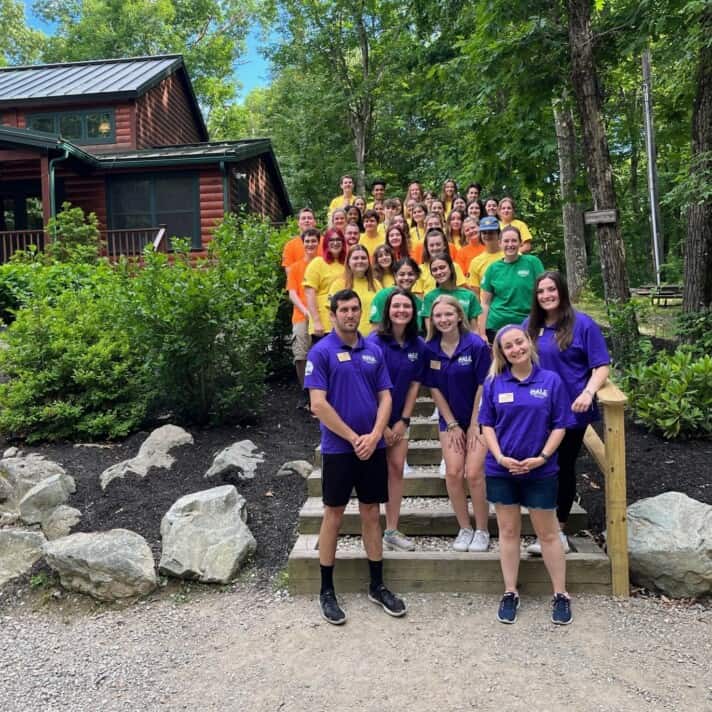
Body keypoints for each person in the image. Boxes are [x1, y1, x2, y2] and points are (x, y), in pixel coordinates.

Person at [305, 289, 406, 624]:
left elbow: (386, 397)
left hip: (372, 447)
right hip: (339, 449)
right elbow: (318, 404)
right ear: (332, 314)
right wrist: (353, 438)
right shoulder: (321, 352)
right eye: (343, 310)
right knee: (333, 513)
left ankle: (377, 585)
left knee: (371, 512)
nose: (350, 314)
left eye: (354, 309)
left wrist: (376, 435)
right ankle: (326, 590)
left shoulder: (373, 350)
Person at [479, 325, 575, 625]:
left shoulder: (550, 381)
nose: (515, 349)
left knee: (547, 533)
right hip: (501, 469)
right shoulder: (494, 382)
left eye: (519, 342)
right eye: (508, 346)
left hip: (541, 470)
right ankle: (510, 591)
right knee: (508, 532)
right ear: (501, 352)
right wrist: (498, 456)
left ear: (528, 343)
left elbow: (561, 424)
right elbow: (486, 425)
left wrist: (542, 457)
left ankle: (560, 593)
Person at [524, 271, 610, 555]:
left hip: (572, 410)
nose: (546, 295)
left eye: (551, 290)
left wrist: (588, 392)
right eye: (541, 291)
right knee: (540, 467)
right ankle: (543, 528)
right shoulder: (531, 326)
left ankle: (558, 531)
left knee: (561, 467)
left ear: (561, 291)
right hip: (537, 410)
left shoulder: (583, 324)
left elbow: (601, 365)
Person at [424, 295, 491, 552]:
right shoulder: (430, 348)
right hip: (449, 418)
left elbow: (484, 385)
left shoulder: (474, 344)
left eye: (448, 314)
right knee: (453, 473)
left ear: (459, 316)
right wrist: (451, 424)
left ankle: (483, 530)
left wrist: (474, 424)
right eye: (438, 315)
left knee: (473, 473)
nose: (444, 320)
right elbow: (433, 388)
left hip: (478, 417)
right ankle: (465, 528)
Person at [367, 288, 426, 551]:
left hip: (400, 420)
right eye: (396, 306)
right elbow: (366, 385)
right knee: (373, 472)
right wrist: (382, 426)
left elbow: (414, 385)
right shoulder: (373, 342)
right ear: (387, 310)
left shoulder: (418, 345)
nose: (401, 310)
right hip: (372, 420)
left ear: (413, 311)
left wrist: (404, 420)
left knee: (397, 467)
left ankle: (391, 529)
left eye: (406, 306)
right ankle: (371, 529)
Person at [479, 225, 545, 343]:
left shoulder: (532, 262)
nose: (510, 244)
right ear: (500, 243)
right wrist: (482, 333)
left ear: (520, 243)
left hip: (527, 325)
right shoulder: (492, 269)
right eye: (506, 241)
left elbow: (543, 292)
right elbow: (484, 303)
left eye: (514, 240)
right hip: (497, 326)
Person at [286, 228, 321, 409]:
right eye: (307, 241)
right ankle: (305, 392)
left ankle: (322, 393)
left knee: (322, 355)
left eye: (313, 241)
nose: (310, 244)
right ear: (303, 243)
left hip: (321, 317)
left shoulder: (323, 264)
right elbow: (292, 293)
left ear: (318, 242)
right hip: (301, 315)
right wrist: (305, 310)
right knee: (301, 355)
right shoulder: (296, 268)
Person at [422, 252, 484, 336]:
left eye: (442, 267)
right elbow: (430, 332)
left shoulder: (469, 295)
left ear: (451, 268)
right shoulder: (429, 298)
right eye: (434, 270)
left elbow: (474, 329)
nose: (439, 272)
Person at [304, 228, 347, 342]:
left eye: (339, 239)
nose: (335, 242)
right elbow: (309, 293)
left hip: (343, 323)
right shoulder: (317, 263)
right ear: (326, 243)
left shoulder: (347, 264)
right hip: (323, 325)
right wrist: (317, 321)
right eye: (331, 240)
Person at [330, 244, 382, 335]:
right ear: (348, 262)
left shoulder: (376, 284)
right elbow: (332, 315)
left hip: (373, 338)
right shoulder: (339, 284)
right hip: (348, 338)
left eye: (363, 258)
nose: (360, 261)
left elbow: (382, 312)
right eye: (355, 258)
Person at [369, 256, 424, 331]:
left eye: (410, 274)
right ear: (395, 276)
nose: (406, 278)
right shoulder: (382, 296)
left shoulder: (419, 303)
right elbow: (375, 330)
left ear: (417, 276)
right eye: (402, 274)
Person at [413, 229, 466, 294]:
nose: (435, 248)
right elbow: (418, 296)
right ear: (427, 247)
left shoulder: (455, 267)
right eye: (431, 245)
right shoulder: (420, 269)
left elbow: (462, 292)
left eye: (438, 244)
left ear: (444, 246)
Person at [467, 216, 503, 297]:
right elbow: (475, 293)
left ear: (499, 233)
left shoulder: (511, 255)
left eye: (491, 232)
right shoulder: (475, 262)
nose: (487, 235)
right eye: (484, 232)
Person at [282, 207, 317, 274]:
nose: (307, 220)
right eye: (303, 218)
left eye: (309, 218)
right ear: (298, 223)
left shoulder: (325, 242)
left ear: (315, 222)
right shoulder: (290, 246)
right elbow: (289, 273)